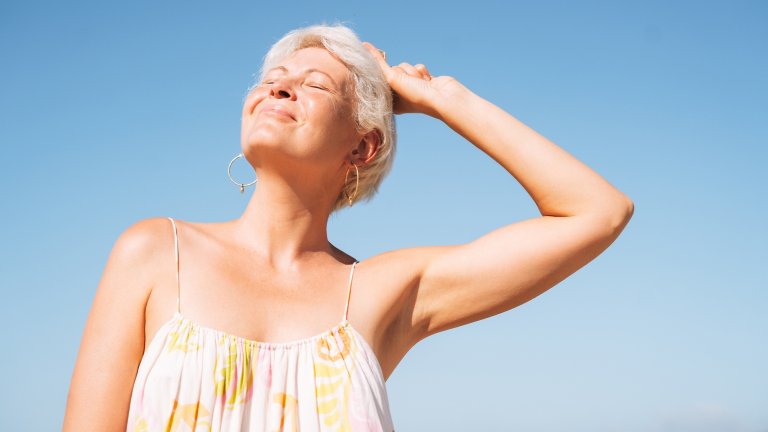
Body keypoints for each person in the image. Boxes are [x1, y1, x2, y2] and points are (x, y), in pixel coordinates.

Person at [63, 22, 633, 431]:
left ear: (362, 146)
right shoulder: (157, 253)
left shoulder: (383, 293)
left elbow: (598, 211)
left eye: (314, 85)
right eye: (272, 78)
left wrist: (441, 98)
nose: (279, 88)